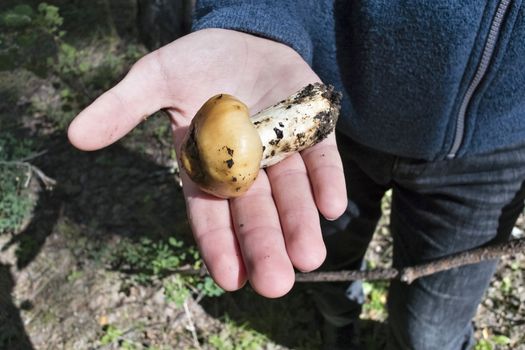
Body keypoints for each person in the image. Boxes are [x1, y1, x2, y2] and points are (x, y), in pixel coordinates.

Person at [68, 1, 525, 349]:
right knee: (330, 252)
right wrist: (254, 14)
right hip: (346, 121)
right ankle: (340, 320)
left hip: (497, 148)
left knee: (430, 328)